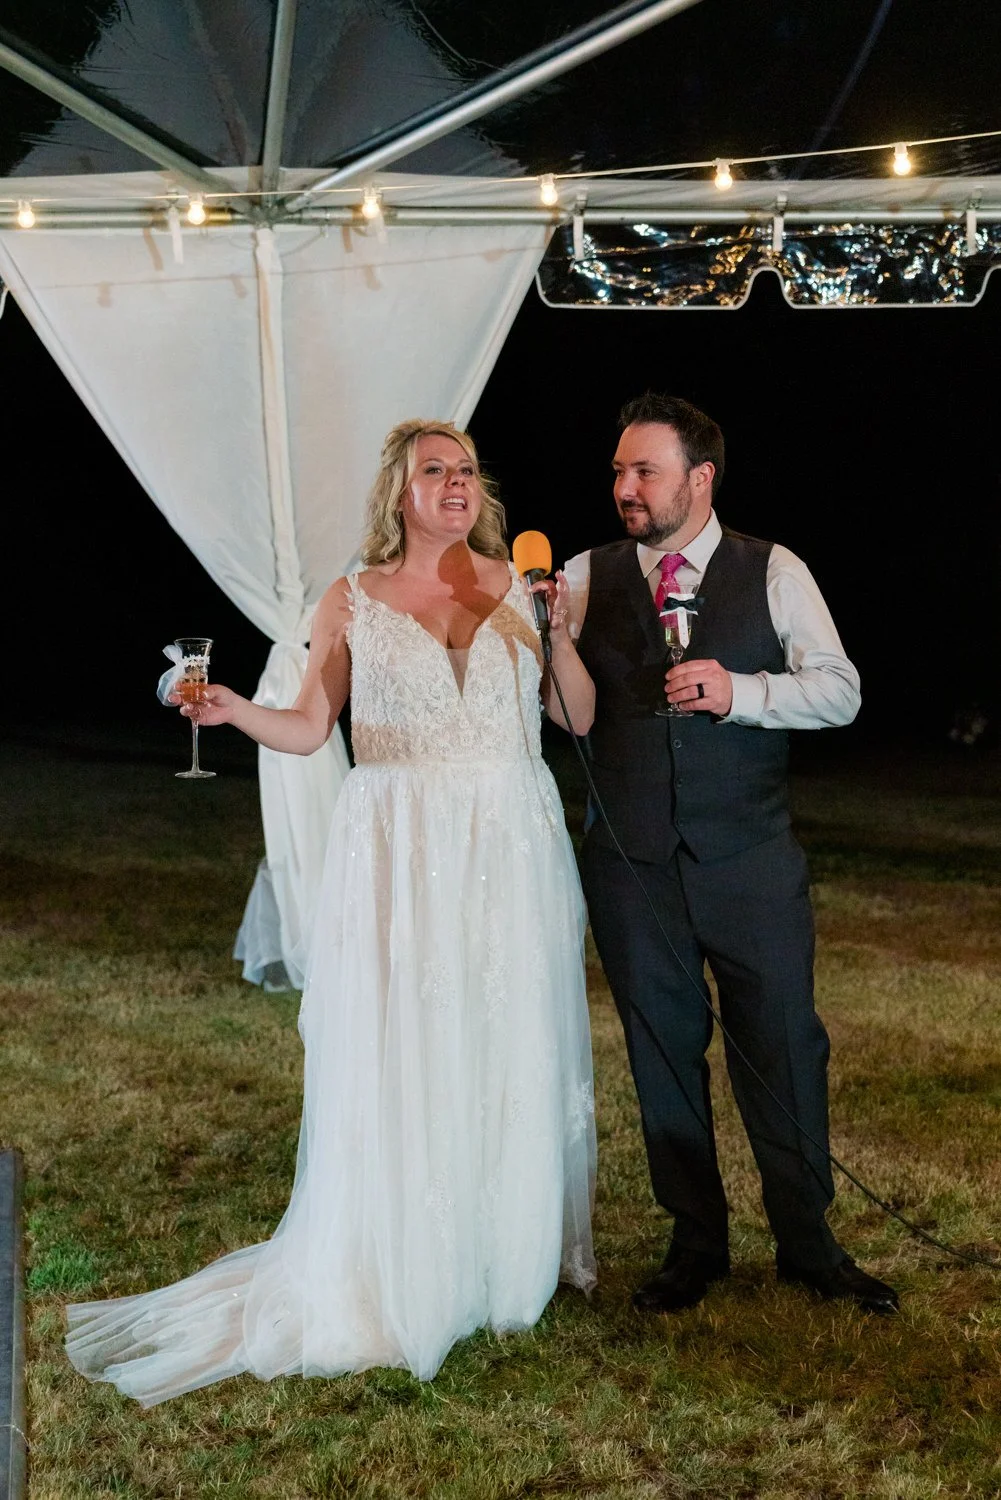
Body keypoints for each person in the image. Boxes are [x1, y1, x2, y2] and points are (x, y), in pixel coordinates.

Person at [65, 419, 597, 1406]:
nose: (453, 484)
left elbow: (577, 717)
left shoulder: (522, 588)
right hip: (401, 846)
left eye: (466, 471)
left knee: (505, 1032)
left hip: (509, 843)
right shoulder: (351, 597)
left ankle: (500, 1257)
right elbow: (311, 726)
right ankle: (405, 1257)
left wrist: (558, 627)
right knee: (411, 1039)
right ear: (398, 492)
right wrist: (231, 711)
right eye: (433, 471)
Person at [558, 392, 898, 1317]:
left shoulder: (772, 568)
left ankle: (809, 1246)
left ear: (699, 479)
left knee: (784, 1045)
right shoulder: (585, 577)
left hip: (748, 859)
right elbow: (569, 717)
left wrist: (740, 689)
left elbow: (839, 693)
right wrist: (550, 642)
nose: (624, 488)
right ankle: (694, 1243)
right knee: (662, 1051)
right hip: (631, 866)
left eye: (645, 472)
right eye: (619, 471)